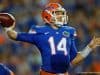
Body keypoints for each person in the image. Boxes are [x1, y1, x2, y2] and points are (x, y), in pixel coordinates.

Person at [0, 3, 100, 75]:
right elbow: (16, 36)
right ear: (48, 15)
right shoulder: (40, 31)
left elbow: (73, 60)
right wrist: (9, 29)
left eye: (61, 13)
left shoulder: (69, 31)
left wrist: (89, 48)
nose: (61, 16)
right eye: (58, 13)